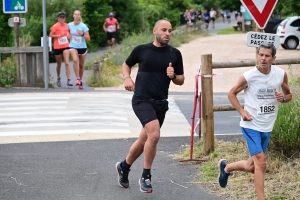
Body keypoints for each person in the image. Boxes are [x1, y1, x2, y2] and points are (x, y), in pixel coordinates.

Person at [115, 19, 185, 193]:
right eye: (164, 30)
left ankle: (124, 166)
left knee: (144, 139)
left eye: (170, 31)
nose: (167, 33)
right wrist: (127, 78)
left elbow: (181, 80)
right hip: (141, 99)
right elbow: (126, 64)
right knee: (154, 135)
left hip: (161, 103)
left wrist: (173, 75)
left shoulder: (174, 53)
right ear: (155, 31)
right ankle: (146, 176)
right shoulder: (142, 50)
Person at [218, 43, 292, 200]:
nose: (263, 58)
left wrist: (284, 98)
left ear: (274, 58)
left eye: (267, 56)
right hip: (250, 124)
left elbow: (289, 95)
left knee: (252, 166)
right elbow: (231, 93)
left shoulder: (280, 74)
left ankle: (226, 168)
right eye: (261, 55)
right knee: (261, 163)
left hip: (267, 126)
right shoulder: (249, 76)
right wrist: (242, 111)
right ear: (257, 56)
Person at [68, 10, 90, 90]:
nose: (77, 16)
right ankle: (77, 78)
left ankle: (80, 81)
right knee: (75, 60)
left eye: (78, 14)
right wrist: (68, 36)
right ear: (73, 15)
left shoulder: (83, 26)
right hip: (73, 46)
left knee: (81, 65)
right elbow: (67, 34)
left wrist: (82, 34)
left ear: (80, 16)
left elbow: (88, 38)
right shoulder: (69, 25)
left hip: (82, 47)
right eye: (75, 14)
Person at [49, 11, 72, 87]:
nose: (62, 19)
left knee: (67, 63)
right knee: (59, 64)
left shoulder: (67, 25)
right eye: (60, 17)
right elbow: (50, 35)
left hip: (65, 46)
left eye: (63, 17)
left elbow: (68, 33)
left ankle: (69, 80)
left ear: (65, 18)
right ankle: (59, 77)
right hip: (58, 46)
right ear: (58, 18)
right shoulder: (55, 26)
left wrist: (68, 35)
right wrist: (58, 35)